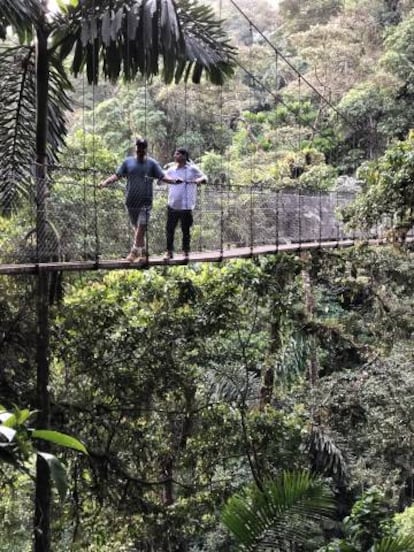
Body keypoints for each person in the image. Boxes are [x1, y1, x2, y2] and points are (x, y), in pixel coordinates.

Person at [99, 138, 177, 262]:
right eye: (138, 147)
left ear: (146, 149)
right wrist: (105, 183)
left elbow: (162, 176)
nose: (140, 149)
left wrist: (173, 181)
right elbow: (117, 175)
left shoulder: (152, 164)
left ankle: (134, 252)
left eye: (142, 147)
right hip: (131, 201)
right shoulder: (127, 162)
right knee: (137, 228)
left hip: (146, 202)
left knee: (142, 226)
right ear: (136, 148)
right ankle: (144, 252)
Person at [163, 147, 207, 260]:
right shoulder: (171, 170)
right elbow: (161, 179)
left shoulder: (192, 169)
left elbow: (205, 178)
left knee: (185, 230)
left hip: (186, 206)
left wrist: (198, 180)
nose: (175, 156)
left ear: (184, 156)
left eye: (177, 154)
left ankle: (185, 252)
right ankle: (169, 252)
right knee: (169, 229)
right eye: (175, 153)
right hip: (173, 204)